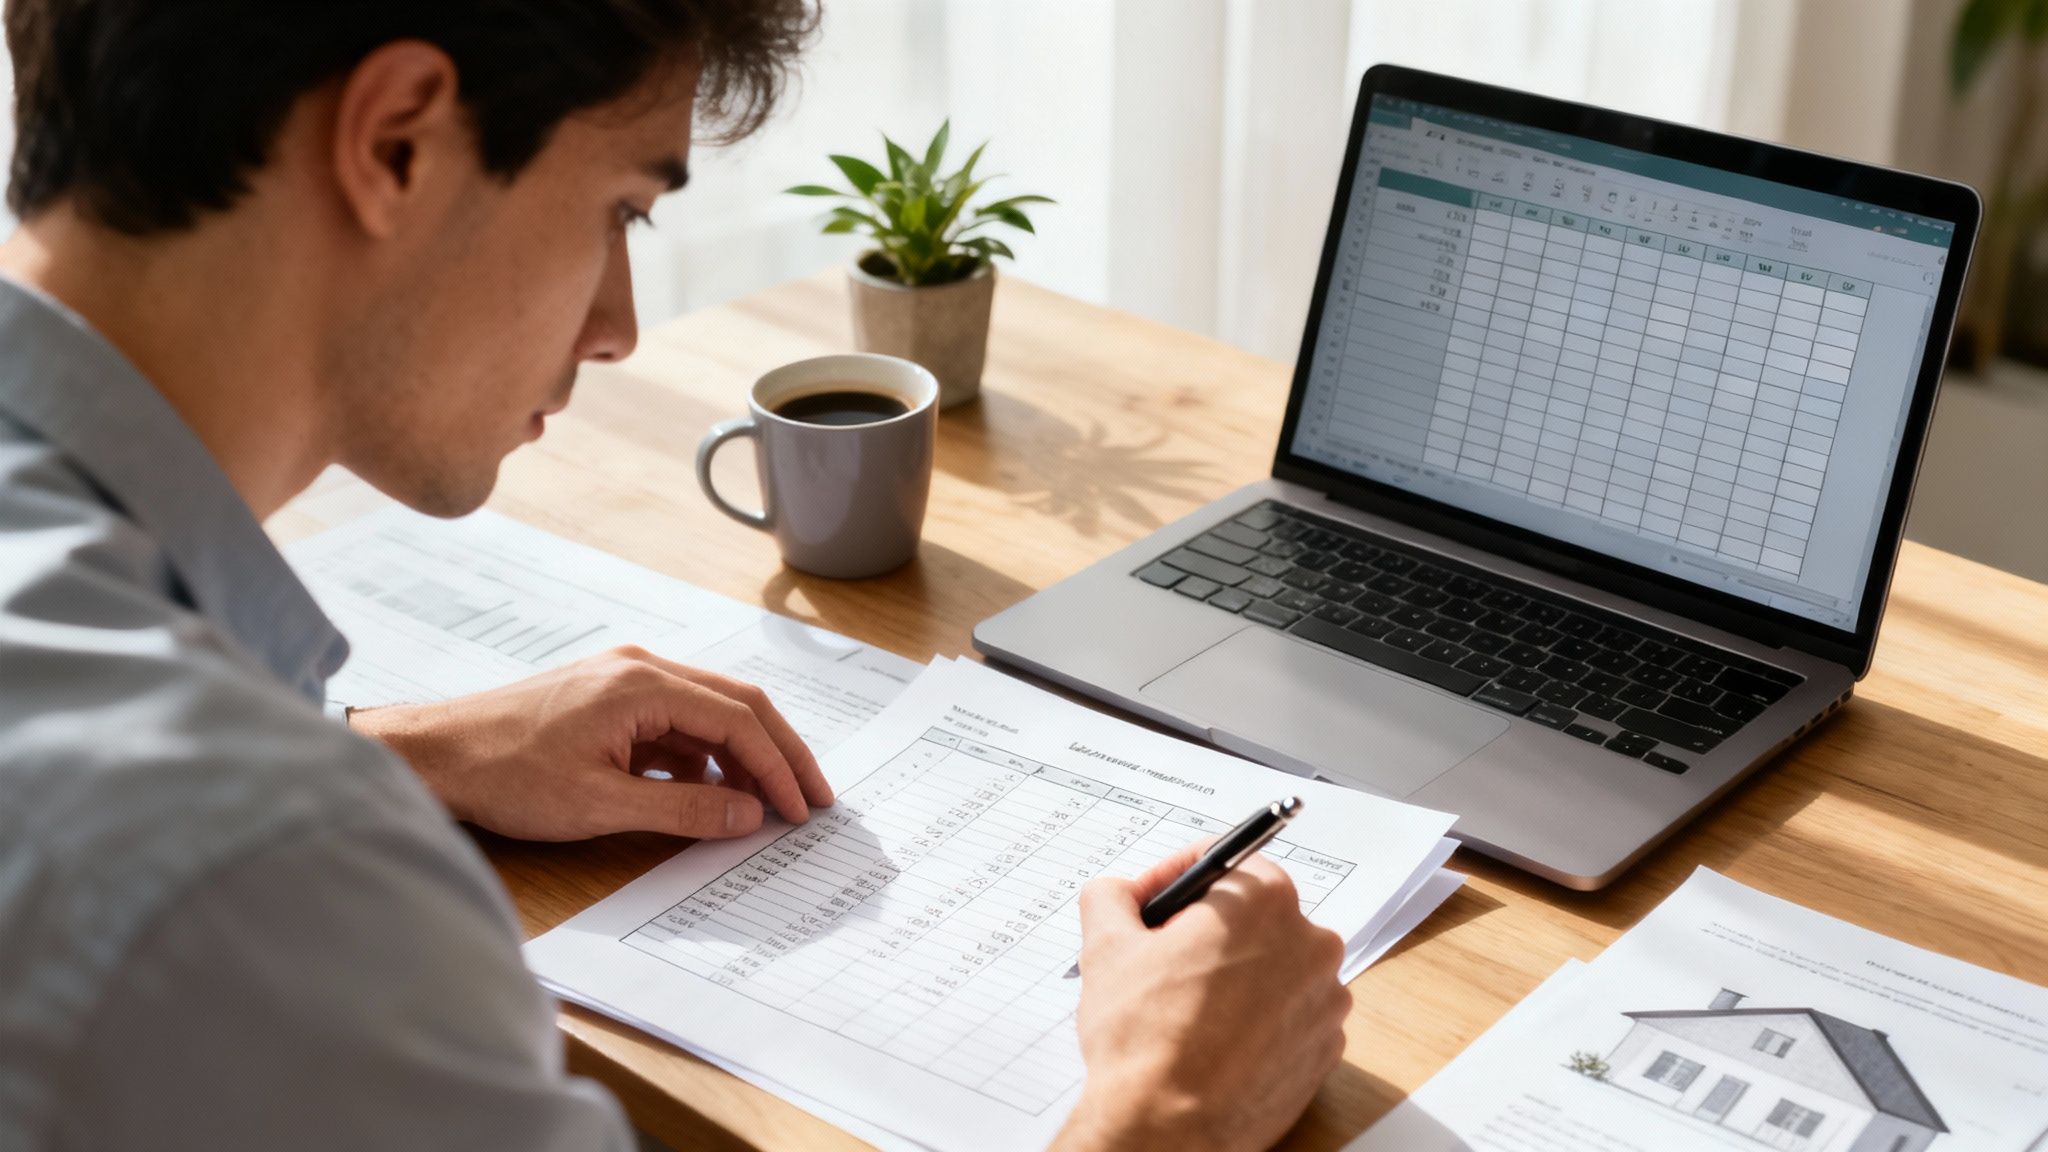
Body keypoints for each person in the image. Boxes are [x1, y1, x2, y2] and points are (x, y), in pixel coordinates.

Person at [0, 3, 1352, 1149]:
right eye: (621, 209)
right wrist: (1167, 1109)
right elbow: (185, 857)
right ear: (396, 140)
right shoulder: (275, 891)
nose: (621, 327)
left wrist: (390, 753)